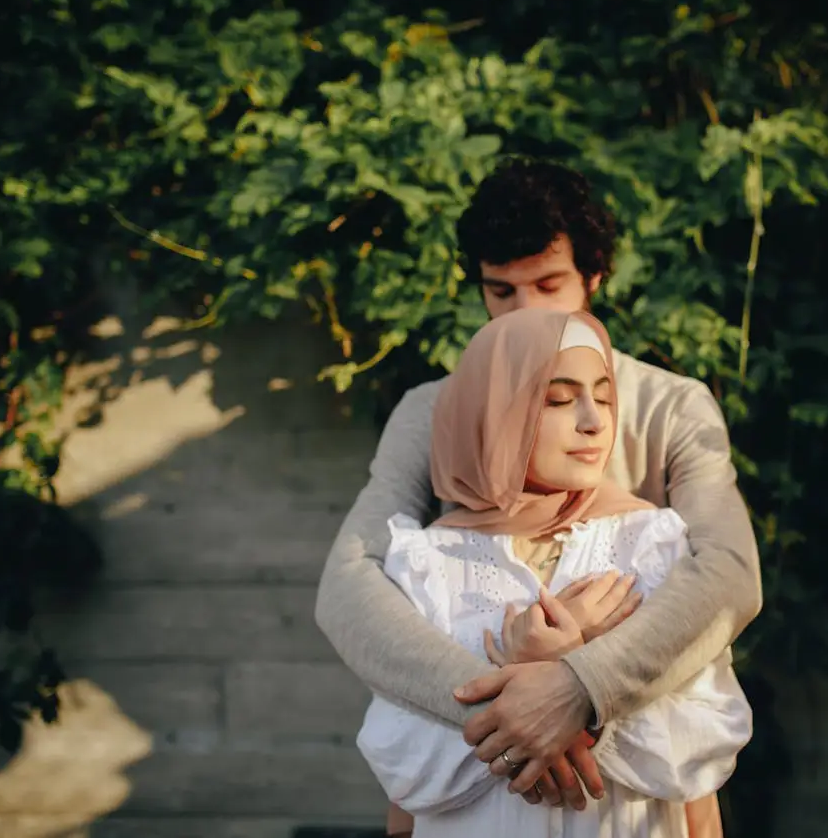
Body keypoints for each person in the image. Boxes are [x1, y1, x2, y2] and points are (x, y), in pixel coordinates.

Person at [314, 159, 762, 833]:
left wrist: (579, 685)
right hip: (480, 774)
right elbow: (350, 583)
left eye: (548, 284)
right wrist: (498, 709)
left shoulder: (671, 406)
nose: (525, 311)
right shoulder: (435, 410)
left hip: (636, 764)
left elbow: (727, 574)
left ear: (594, 278)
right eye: (501, 291)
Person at [356, 307, 752, 837]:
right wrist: (526, 682)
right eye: (560, 399)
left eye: (605, 397)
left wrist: (575, 679)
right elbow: (402, 763)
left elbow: (699, 744)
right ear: (497, 411)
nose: (593, 419)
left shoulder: (652, 544)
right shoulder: (430, 562)